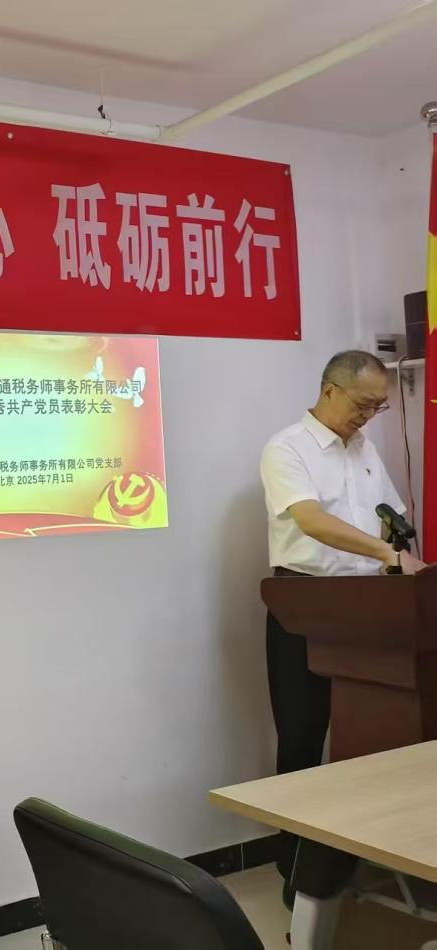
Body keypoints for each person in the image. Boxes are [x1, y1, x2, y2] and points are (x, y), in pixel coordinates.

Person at [259, 348, 422, 901]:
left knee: (369, 739)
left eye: (378, 408)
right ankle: (297, 879)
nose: (368, 417)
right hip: (304, 606)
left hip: (367, 610)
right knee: (303, 740)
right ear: (330, 390)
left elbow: (393, 521)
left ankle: (365, 863)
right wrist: (388, 554)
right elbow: (312, 521)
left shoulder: (366, 450)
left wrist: (400, 556)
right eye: (362, 405)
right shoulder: (287, 448)